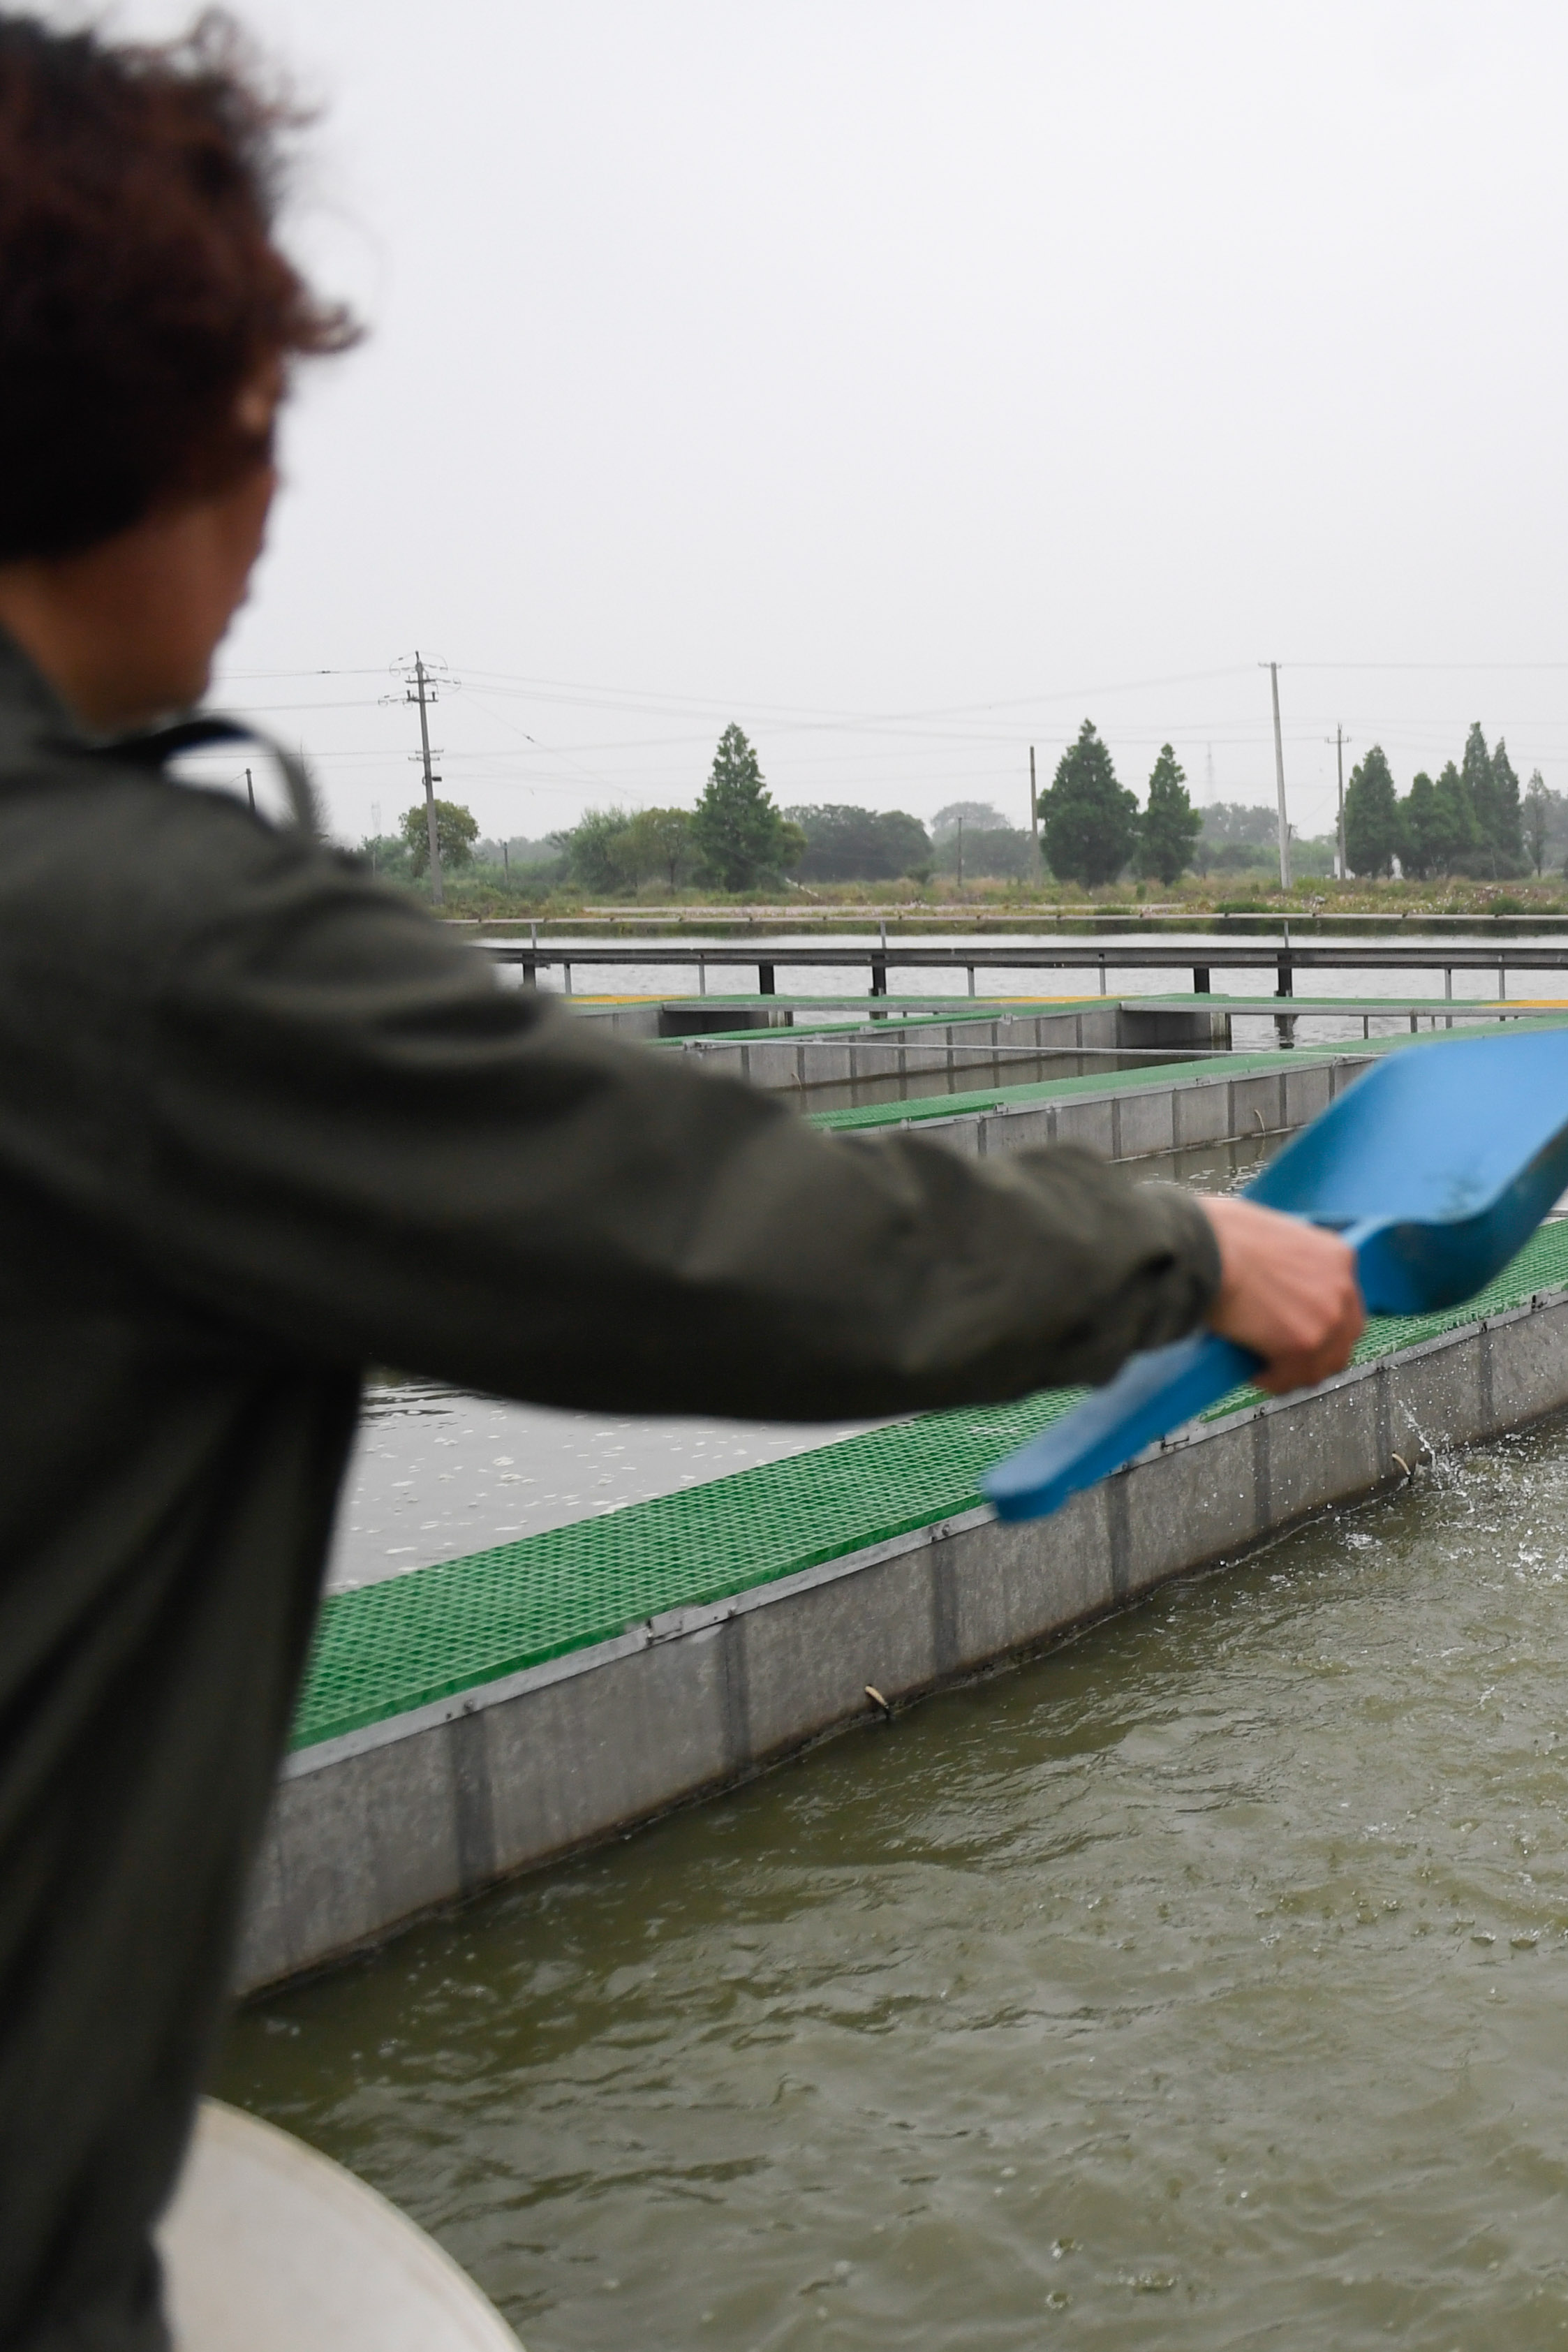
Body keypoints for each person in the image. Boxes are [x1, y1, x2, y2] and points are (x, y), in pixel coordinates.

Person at [0, 18, 1365, 2347]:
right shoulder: (125, 941)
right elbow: (694, 1216)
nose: (267, 527)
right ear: (124, 439)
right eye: (256, 443)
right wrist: (1192, 1242)